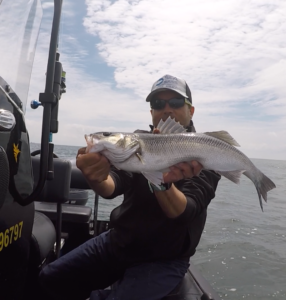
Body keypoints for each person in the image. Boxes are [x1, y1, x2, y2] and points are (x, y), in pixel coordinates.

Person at [39, 74, 221, 300]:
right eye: (157, 104)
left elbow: (185, 211)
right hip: (119, 243)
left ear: (190, 110)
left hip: (164, 260)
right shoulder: (137, 142)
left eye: (175, 103)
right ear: (151, 111)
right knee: (49, 278)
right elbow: (111, 186)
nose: (166, 109)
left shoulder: (205, 153)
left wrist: (161, 181)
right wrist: (96, 176)